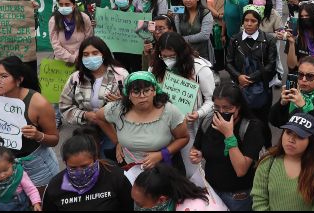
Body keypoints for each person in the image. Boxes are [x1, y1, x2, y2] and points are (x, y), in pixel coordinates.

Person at [190, 83, 266, 211]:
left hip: (238, 196)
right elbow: (196, 147)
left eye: (227, 108)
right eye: (217, 107)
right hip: (212, 190)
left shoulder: (251, 127)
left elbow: (241, 170)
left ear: (238, 107)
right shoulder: (208, 120)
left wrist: (228, 134)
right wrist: (197, 154)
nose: (221, 112)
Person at [0, 57, 60, 190]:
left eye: (4, 76)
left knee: (40, 200)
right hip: (6, 167)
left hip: (37, 167)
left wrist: (38, 135)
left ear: (19, 80)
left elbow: (54, 139)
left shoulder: (38, 103)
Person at [96, 71, 189, 170]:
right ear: (128, 95)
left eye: (146, 91)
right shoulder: (118, 109)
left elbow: (183, 138)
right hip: (130, 168)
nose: (142, 96)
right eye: (136, 92)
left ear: (154, 91)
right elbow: (98, 117)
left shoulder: (169, 111)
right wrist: (117, 142)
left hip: (163, 168)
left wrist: (161, 154)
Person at [150, 31, 214, 175]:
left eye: (172, 56)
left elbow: (211, 100)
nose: (167, 60)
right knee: (164, 172)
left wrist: (198, 113)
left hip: (188, 128)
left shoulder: (199, 69)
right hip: (161, 127)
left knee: (192, 171)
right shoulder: (156, 67)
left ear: (181, 52)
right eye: (164, 56)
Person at [59, 37, 128, 160]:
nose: (90, 57)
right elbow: (64, 106)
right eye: (86, 54)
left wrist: (119, 103)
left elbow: (134, 106)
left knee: (109, 163)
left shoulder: (120, 75)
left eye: (95, 53)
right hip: (87, 131)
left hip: (114, 131)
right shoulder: (75, 78)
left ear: (104, 54)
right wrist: (85, 115)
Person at [251, 113, 314, 211]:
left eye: (300, 136)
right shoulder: (267, 162)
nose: (291, 139)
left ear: (311, 142)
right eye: (288, 132)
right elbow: (259, 201)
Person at [41, 128, 133, 210]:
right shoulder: (54, 186)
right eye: (73, 167)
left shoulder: (117, 178)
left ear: (95, 158)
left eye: (84, 166)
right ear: (65, 163)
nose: (79, 171)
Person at [225, 8, 277, 145]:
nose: (249, 24)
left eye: (253, 21)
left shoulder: (269, 40)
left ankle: (266, 148)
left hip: (262, 88)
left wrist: (250, 78)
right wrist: (238, 77)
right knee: (241, 120)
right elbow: (228, 62)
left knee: (262, 121)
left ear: (258, 23)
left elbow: (271, 65)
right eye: (246, 20)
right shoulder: (235, 39)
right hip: (240, 88)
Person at [0, 138, 41, 211]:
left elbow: (31, 189)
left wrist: (36, 202)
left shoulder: (19, 174)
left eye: (5, 170)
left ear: (12, 163)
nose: (2, 175)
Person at [131, 162, 225, 211]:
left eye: (139, 204)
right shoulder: (179, 191)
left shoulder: (191, 208)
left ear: (162, 199)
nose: (136, 206)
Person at [49, 0, 94, 65]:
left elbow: (88, 40)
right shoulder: (53, 20)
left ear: (74, 5)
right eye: (61, 5)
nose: (63, 7)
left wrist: (77, 57)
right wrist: (70, 58)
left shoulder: (84, 18)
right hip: (61, 60)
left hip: (81, 58)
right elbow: (55, 44)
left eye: (67, 4)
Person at [175, 0, 215, 64]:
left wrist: (183, 39)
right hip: (185, 54)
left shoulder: (205, 13)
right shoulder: (179, 13)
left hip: (202, 54)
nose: (187, 0)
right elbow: (177, 34)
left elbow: (204, 35)